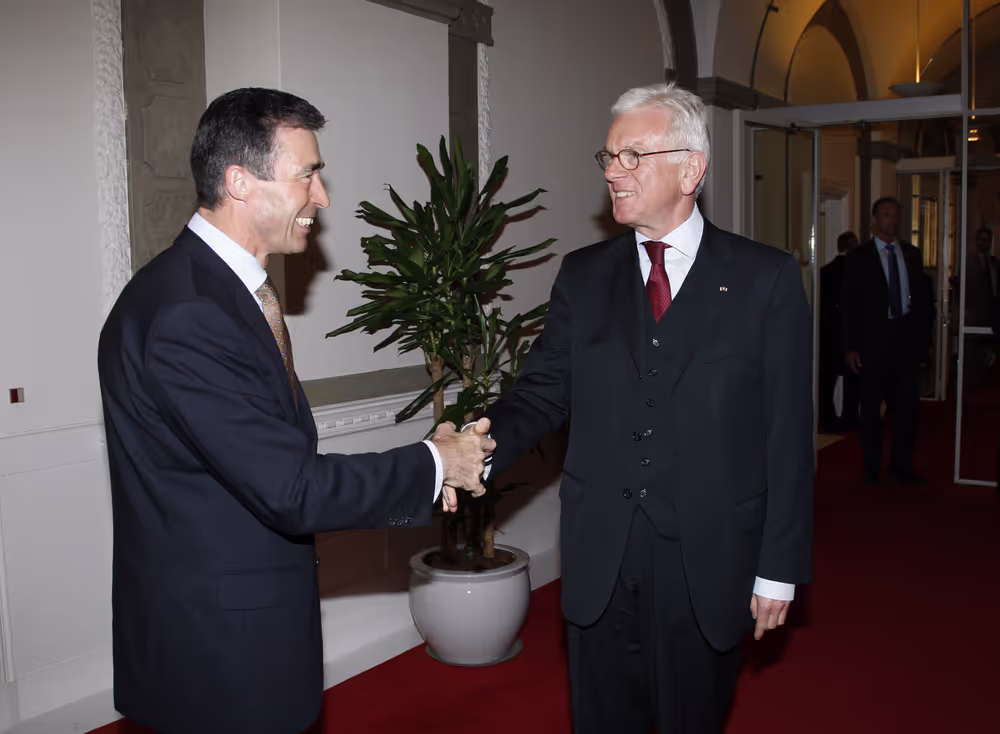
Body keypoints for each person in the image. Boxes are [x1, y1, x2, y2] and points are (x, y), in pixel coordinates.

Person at [98, 88, 493, 734]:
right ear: (240, 182)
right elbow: (291, 487)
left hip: (233, 636)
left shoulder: (217, 293)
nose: (323, 197)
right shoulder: (188, 315)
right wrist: (436, 462)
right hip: (217, 657)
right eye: (307, 174)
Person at [477, 83, 814, 734]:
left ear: (691, 168)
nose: (612, 170)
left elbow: (788, 437)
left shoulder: (765, 280)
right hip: (603, 553)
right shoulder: (582, 275)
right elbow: (543, 390)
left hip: (710, 560)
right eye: (607, 156)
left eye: (632, 155)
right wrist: (476, 447)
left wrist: (780, 569)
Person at [842, 197, 935, 486]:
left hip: (905, 342)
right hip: (873, 344)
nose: (891, 221)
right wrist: (850, 347)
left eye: (895, 216)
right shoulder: (860, 257)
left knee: (907, 409)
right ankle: (871, 470)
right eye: (885, 216)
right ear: (874, 220)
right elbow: (849, 305)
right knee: (871, 411)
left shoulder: (912, 254)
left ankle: (901, 465)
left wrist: (923, 340)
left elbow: (922, 301)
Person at [819, 231, 860, 432]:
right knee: (853, 381)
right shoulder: (858, 273)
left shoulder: (824, 272)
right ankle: (849, 418)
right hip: (851, 334)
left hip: (828, 335)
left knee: (826, 383)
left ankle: (827, 420)